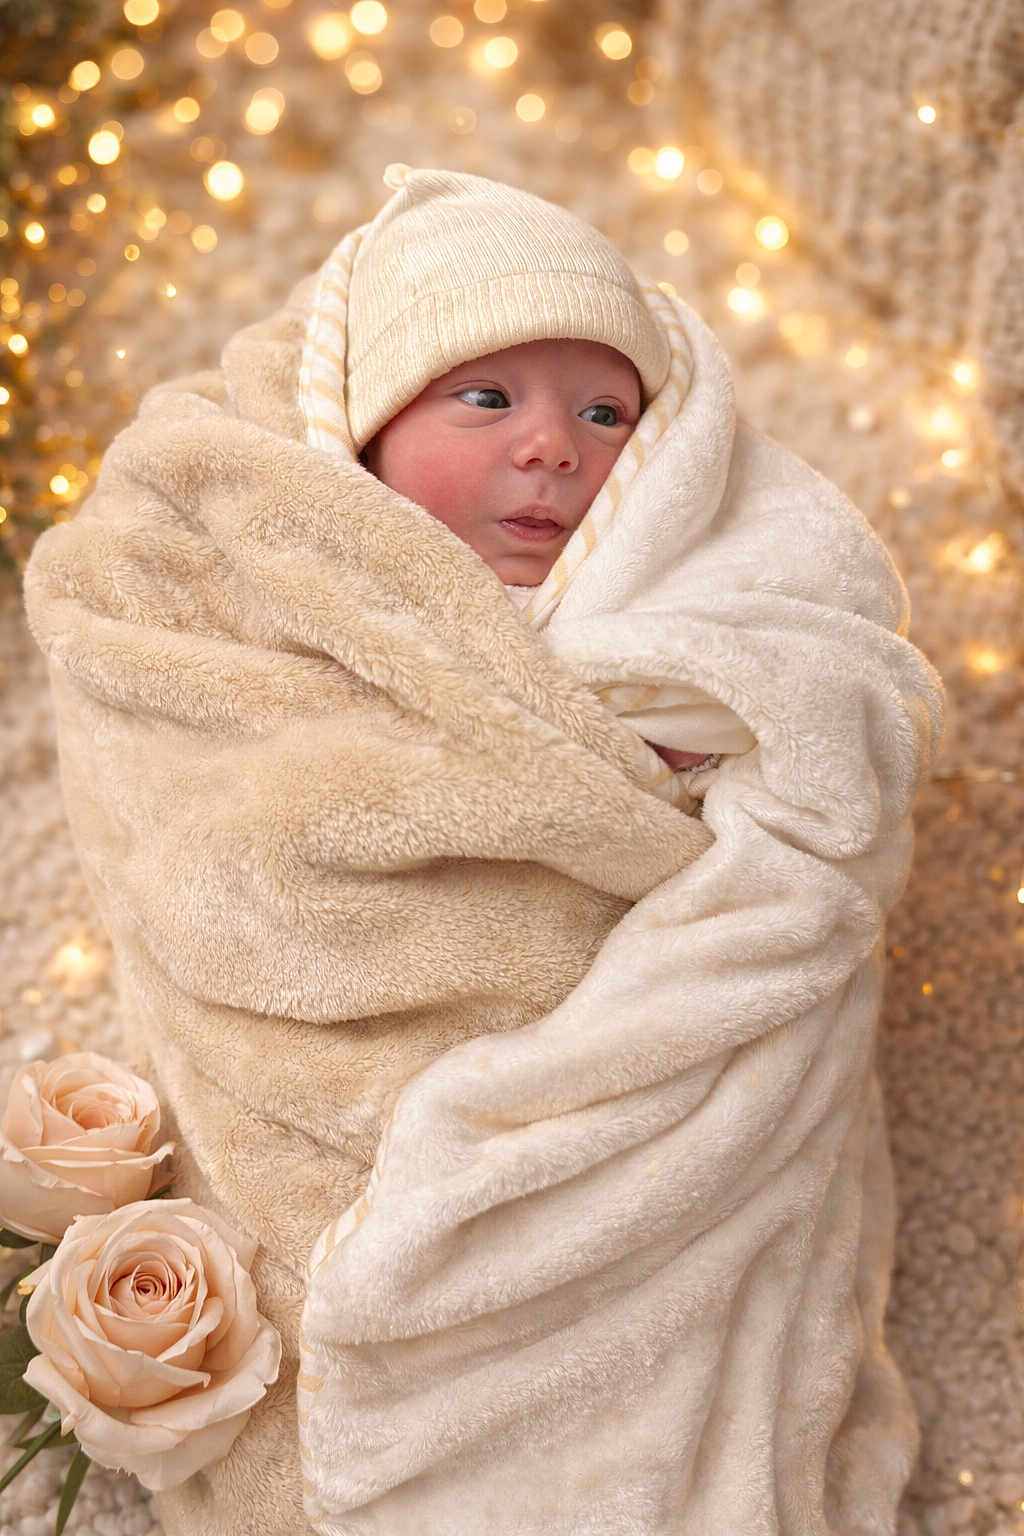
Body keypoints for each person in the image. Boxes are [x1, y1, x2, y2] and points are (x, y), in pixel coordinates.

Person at [330, 164, 723, 776]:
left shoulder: (680, 591)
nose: (553, 447)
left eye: (602, 413)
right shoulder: (314, 578)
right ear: (371, 430)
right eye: (488, 400)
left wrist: (690, 726)